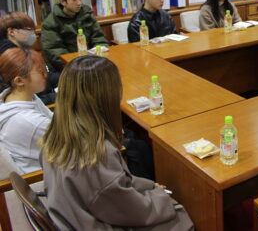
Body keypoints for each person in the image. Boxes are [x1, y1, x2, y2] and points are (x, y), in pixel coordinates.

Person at [40, 55, 193, 230]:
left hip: (72, 216)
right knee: (178, 215)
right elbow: (132, 210)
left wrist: (149, 186)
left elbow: (111, 188)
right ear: (107, 96)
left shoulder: (57, 133)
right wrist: (161, 197)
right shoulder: (96, 151)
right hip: (92, 223)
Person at [0, 48, 52, 173]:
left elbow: (52, 119)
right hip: (41, 176)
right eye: (41, 71)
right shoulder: (29, 121)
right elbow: (73, 145)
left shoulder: (12, 96)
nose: (46, 75)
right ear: (19, 81)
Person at [41, 0, 108, 72]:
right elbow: (55, 51)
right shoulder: (51, 23)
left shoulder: (87, 15)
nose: (79, 3)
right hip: (67, 67)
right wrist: (78, 65)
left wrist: (98, 54)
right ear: (63, 2)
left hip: (91, 62)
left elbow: (99, 38)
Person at [0, 12, 58, 104]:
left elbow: (44, 75)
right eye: (29, 30)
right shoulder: (12, 60)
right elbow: (27, 99)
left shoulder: (20, 49)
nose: (33, 34)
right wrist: (58, 95)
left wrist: (64, 77)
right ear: (11, 32)